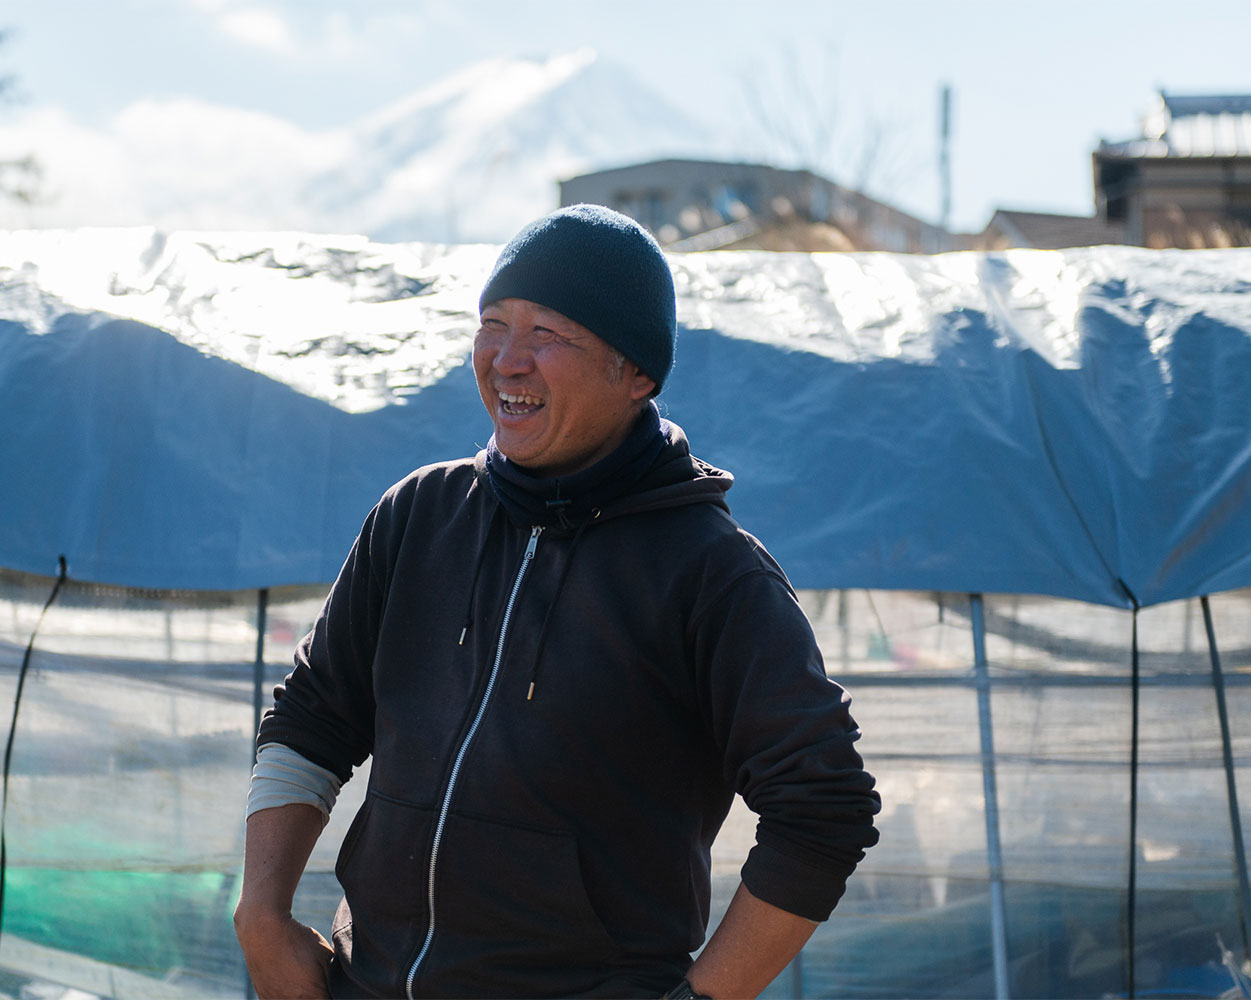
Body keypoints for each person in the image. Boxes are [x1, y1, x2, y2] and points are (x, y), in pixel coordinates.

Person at [233, 204, 879, 999]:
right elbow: (311, 718)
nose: (506, 360)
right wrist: (260, 916)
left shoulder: (710, 573)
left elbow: (824, 808)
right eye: (493, 323)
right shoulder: (421, 517)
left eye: (548, 334)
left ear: (636, 372)